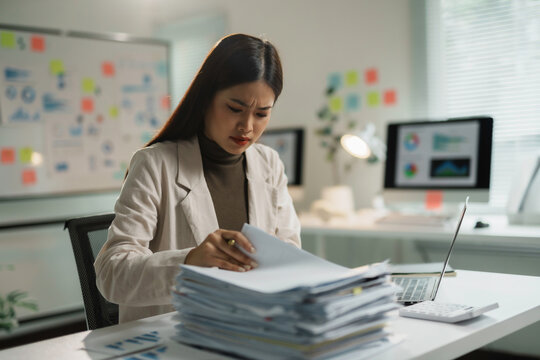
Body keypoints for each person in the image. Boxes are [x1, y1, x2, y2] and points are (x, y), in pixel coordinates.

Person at [94, 33, 301, 323]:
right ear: (205, 99)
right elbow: (111, 275)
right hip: (176, 338)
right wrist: (190, 262)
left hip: (250, 329)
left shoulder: (269, 164)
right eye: (235, 109)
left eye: (262, 114)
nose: (247, 126)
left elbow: (289, 252)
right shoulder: (154, 164)